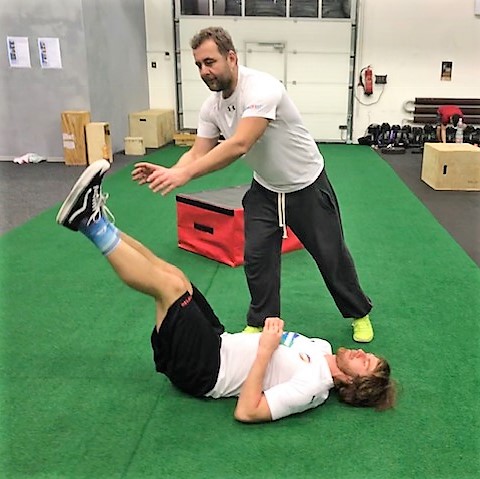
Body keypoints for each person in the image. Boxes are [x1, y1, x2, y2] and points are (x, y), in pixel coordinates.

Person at [56, 161, 396, 422]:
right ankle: (97, 219)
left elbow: (247, 411)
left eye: (365, 363)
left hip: (205, 372)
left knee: (168, 288)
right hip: (218, 343)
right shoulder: (320, 348)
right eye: (368, 356)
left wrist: (265, 349)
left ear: (352, 384)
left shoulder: (313, 388)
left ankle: (87, 223)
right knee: (175, 277)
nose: (361, 353)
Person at [131, 26, 374, 343]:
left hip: (306, 185)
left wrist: (185, 175)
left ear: (231, 57)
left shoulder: (262, 89)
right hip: (265, 189)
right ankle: (261, 321)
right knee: (258, 258)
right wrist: (170, 171)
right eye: (199, 65)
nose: (204, 71)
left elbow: (240, 144)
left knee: (332, 257)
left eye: (210, 62)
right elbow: (198, 152)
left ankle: (359, 313)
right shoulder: (211, 107)